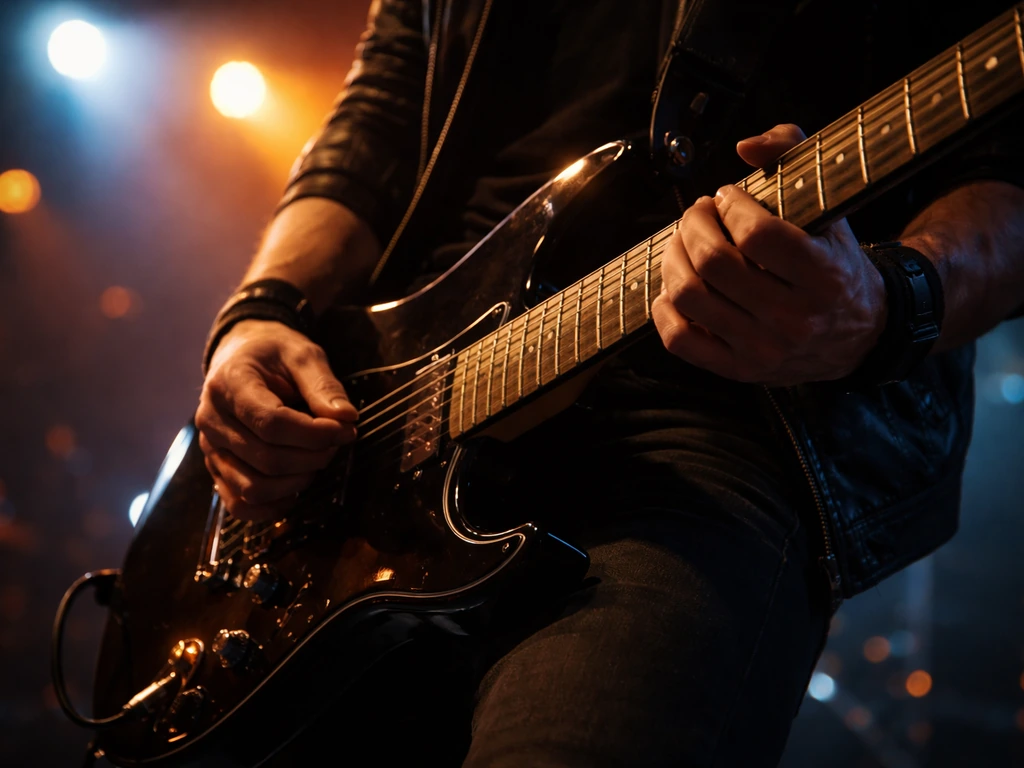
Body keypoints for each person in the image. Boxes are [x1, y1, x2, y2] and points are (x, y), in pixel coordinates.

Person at [194, 0, 1024, 764]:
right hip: (384, 407)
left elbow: (1006, 158)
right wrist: (258, 314)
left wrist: (890, 302)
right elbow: (374, 119)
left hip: (718, 413)